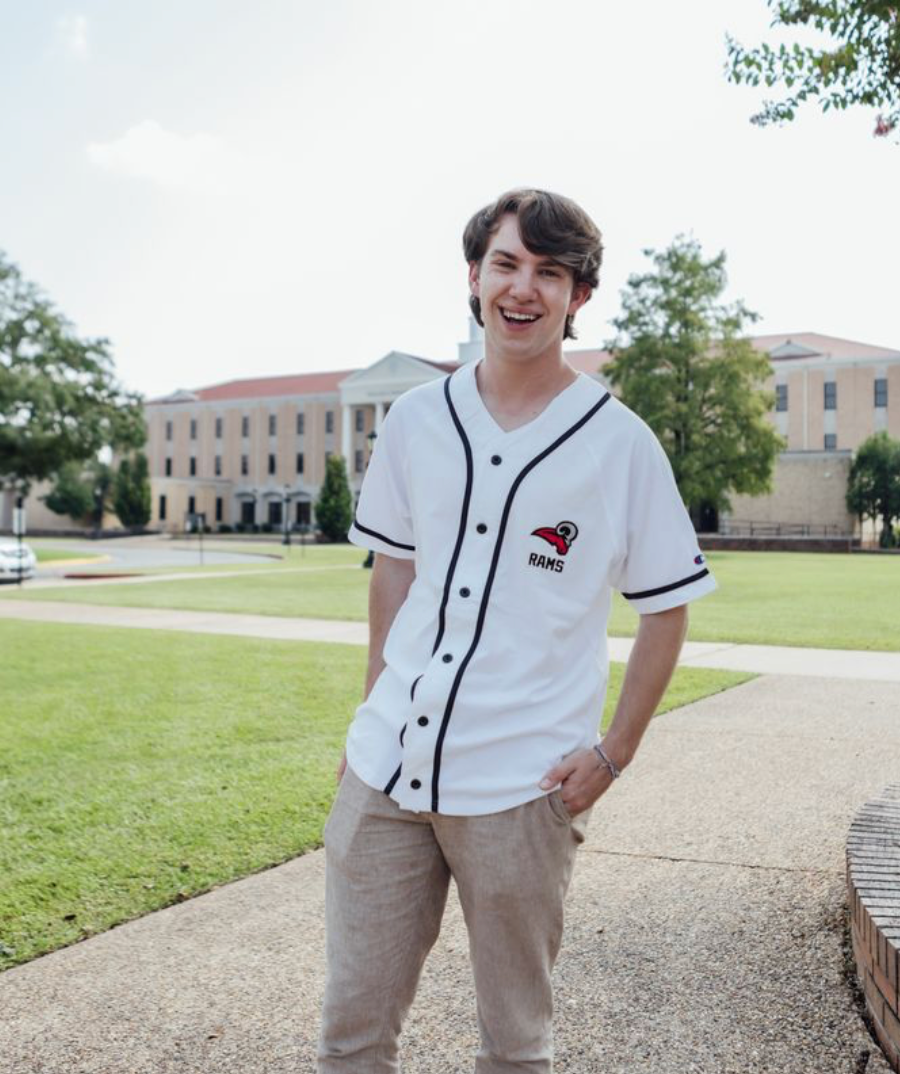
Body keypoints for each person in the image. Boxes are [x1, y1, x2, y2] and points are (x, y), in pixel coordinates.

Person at [317, 188, 717, 1074]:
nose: (523, 288)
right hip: (387, 771)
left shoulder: (620, 443)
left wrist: (615, 750)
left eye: (550, 272)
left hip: (520, 785)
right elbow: (396, 571)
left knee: (514, 1047)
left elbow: (667, 606)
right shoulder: (418, 419)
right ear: (474, 277)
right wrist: (370, 709)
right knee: (350, 1037)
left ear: (578, 296)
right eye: (506, 264)